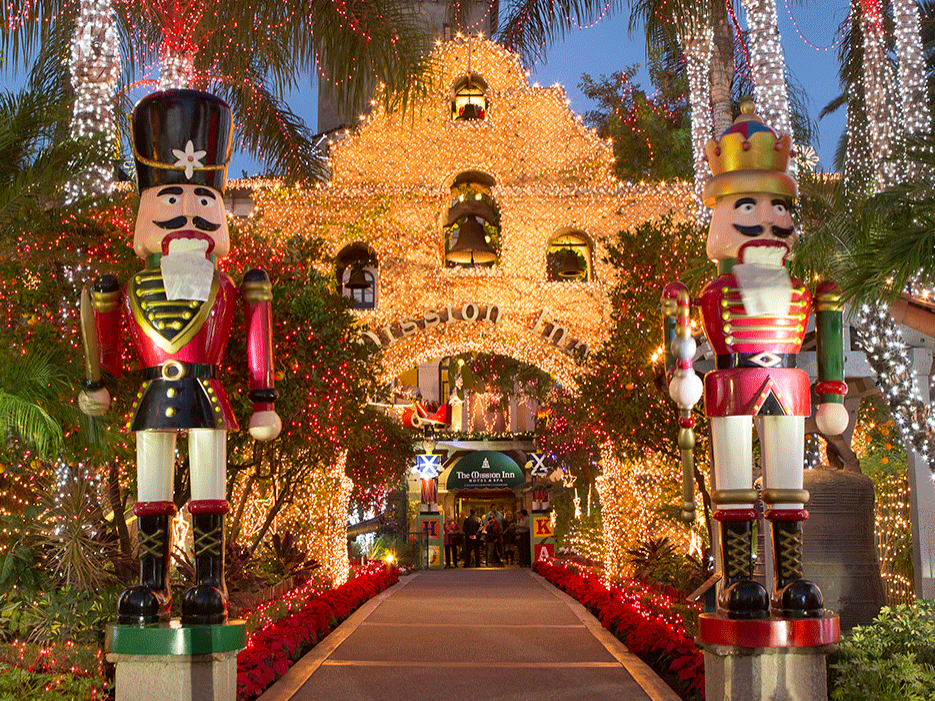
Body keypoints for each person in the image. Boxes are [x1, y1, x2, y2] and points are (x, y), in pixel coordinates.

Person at [78, 90, 281, 626]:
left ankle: (209, 580)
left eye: (202, 201)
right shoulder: (128, 286)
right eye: (170, 200)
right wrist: (98, 380)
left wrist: (263, 398)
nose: (188, 212)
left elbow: (256, 337)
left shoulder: (235, 285)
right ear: (145, 209)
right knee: (151, 490)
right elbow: (111, 346)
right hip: (152, 392)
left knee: (209, 485)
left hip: (207, 389)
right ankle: (153, 582)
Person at [663, 100, 846, 620]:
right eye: (748, 207)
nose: (767, 219)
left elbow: (828, 331)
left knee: (790, 484)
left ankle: (791, 580)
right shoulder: (714, 290)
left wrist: (832, 391)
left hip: (786, 382)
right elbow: (685, 336)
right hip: (731, 382)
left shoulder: (803, 291)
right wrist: (684, 371)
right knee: (735, 484)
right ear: (722, 215)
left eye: (779, 209)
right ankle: (739, 579)